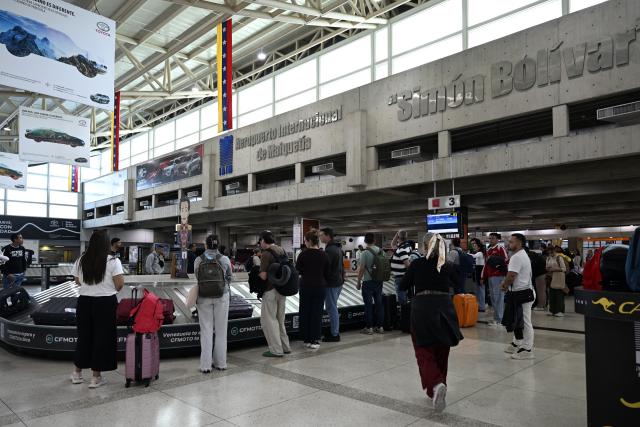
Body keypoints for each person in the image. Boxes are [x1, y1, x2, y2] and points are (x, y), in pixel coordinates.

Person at [400, 233, 463, 412]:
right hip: (445, 307)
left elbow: (403, 285)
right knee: (442, 350)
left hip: (422, 308)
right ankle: (438, 385)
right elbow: (459, 284)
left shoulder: (417, 264)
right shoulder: (447, 264)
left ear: (425, 247)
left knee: (423, 350)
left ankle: (435, 385)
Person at [70, 230, 124, 388]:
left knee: (84, 336)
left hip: (84, 302)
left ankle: (77, 373)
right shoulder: (113, 261)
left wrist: (90, 286)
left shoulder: (81, 260)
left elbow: (77, 281)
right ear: (107, 243)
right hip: (105, 303)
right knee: (102, 338)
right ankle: (95, 378)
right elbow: (119, 284)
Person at [194, 235, 232, 372]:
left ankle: (205, 366)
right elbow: (229, 277)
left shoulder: (199, 260)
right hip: (222, 296)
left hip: (203, 297)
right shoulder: (224, 259)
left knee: (206, 330)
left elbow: (197, 277)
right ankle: (221, 363)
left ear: (206, 245)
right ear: (218, 245)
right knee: (221, 330)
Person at [501, 233, 535, 360]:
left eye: (511, 242)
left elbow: (511, 275)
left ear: (519, 243)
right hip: (520, 292)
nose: (509, 244)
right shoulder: (522, 255)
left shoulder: (517, 257)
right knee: (517, 319)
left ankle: (527, 349)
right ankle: (518, 342)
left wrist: (504, 285)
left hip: (522, 293)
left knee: (525, 322)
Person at [258, 231, 291, 357]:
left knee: (269, 321)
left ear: (263, 241)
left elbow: (264, 275)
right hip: (282, 290)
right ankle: (285, 346)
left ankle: (276, 350)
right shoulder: (281, 250)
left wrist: (257, 272)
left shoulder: (266, 254)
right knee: (280, 319)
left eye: (260, 240)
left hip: (270, 290)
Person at [296, 229, 329, 350]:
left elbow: (298, 270)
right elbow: (327, 272)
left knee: (305, 312)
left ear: (309, 241)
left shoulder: (303, 254)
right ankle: (315, 339)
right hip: (320, 287)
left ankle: (306, 339)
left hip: (306, 286)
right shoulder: (323, 254)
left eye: (305, 240)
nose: (304, 242)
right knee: (317, 313)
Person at [319, 227, 344, 342]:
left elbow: (325, 268)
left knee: (331, 308)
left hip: (331, 283)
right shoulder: (337, 248)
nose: (320, 237)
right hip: (337, 282)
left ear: (328, 235)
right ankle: (334, 331)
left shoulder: (329, 250)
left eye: (322, 235)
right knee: (332, 307)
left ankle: (335, 334)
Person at [356, 232, 384, 335]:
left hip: (368, 282)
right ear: (374, 240)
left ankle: (369, 328)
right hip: (379, 281)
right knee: (379, 304)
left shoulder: (364, 253)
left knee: (368, 305)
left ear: (365, 241)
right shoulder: (381, 251)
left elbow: (362, 269)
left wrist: (358, 281)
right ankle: (380, 327)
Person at [482, 233, 509, 326]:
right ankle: (497, 318)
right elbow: (486, 265)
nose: (491, 240)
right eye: (490, 238)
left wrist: (497, 265)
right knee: (493, 298)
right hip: (490, 276)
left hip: (498, 276)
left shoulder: (500, 248)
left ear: (498, 239)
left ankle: (500, 319)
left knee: (499, 297)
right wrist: (483, 276)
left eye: (493, 238)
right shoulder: (488, 250)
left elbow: (506, 259)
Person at [391, 230, 412, 305]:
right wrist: (398, 234)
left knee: (402, 298)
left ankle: (404, 313)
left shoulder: (402, 249)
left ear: (398, 238)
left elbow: (407, 264)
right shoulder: (407, 246)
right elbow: (392, 244)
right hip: (403, 276)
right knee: (404, 296)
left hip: (401, 277)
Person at [547, 246, 567, 317]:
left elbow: (564, 269)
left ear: (554, 251)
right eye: (549, 252)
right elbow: (547, 267)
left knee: (559, 294)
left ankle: (560, 311)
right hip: (551, 278)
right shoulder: (549, 258)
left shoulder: (559, 257)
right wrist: (548, 269)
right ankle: (552, 310)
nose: (550, 254)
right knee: (551, 294)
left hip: (559, 277)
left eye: (551, 252)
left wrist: (554, 269)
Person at [470, 238, 486, 312]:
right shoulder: (479, 253)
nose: (474, 247)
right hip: (478, 273)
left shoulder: (480, 253)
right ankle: (480, 305)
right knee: (478, 291)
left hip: (480, 273)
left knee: (481, 291)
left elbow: (473, 256)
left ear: (479, 247)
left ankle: (482, 307)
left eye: (475, 246)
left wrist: (464, 253)